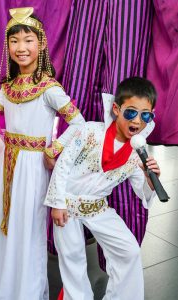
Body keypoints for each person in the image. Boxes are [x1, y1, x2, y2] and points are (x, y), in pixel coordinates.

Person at [0, 7, 84, 300]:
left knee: (28, 229)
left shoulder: (49, 88)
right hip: (7, 166)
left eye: (28, 40)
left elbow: (79, 124)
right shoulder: (8, 87)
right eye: (14, 41)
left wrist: (55, 148)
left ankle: (24, 290)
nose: (21, 47)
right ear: (7, 46)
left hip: (34, 168)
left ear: (40, 44)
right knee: (1, 225)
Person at [44, 77, 160, 300]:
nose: (137, 120)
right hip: (67, 205)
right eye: (131, 112)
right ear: (116, 109)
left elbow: (142, 194)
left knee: (129, 251)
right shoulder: (89, 131)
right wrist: (57, 203)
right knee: (73, 258)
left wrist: (149, 179)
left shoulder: (138, 154)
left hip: (98, 208)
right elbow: (63, 164)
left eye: (145, 115)